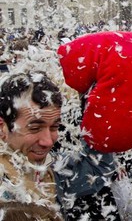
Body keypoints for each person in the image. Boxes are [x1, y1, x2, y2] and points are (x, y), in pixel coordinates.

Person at [0, 71, 117, 220]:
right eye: (35, 128)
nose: (48, 141)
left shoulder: (53, 169)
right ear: (2, 127)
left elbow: (97, 168)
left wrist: (99, 106)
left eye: (55, 127)